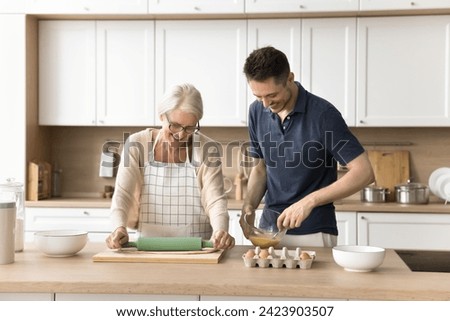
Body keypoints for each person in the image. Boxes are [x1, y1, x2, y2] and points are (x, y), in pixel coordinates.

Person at [240, 46, 374, 247]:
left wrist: (309, 202)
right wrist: (248, 206)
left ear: (290, 79)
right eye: (258, 96)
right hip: (268, 231)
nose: (265, 104)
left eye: (272, 95)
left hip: (313, 231)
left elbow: (364, 173)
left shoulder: (324, 115)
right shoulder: (256, 112)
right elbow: (261, 168)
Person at [106, 83, 235, 250]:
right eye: (174, 125)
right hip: (148, 247)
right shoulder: (137, 145)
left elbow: (215, 199)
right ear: (161, 116)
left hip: (198, 249)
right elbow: (123, 196)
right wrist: (119, 228)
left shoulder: (207, 149)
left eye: (189, 128)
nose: (180, 135)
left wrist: (220, 230)